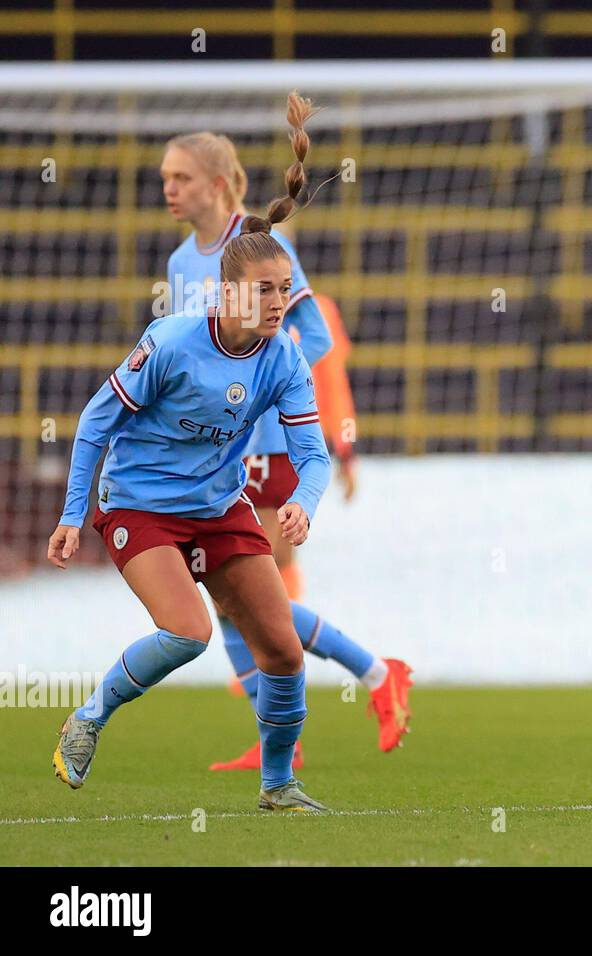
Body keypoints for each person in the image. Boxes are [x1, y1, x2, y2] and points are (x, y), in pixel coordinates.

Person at [49, 97, 336, 810]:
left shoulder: (285, 359)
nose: (279, 305)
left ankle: (278, 786)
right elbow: (93, 419)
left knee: (283, 653)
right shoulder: (174, 340)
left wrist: (301, 501)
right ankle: (89, 717)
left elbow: (315, 452)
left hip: (218, 504)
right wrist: (70, 510)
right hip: (140, 504)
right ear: (227, 292)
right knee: (189, 632)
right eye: (265, 293)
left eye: (284, 292)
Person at [159, 109, 411, 769]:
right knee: (224, 590)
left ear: (218, 184)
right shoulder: (182, 261)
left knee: (247, 588)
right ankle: (285, 737)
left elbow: (316, 337)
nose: (169, 189)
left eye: (181, 177)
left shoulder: (258, 244)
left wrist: (261, 382)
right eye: (165, 178)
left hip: (265, 444)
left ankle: (377, 674)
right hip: (212, 449)